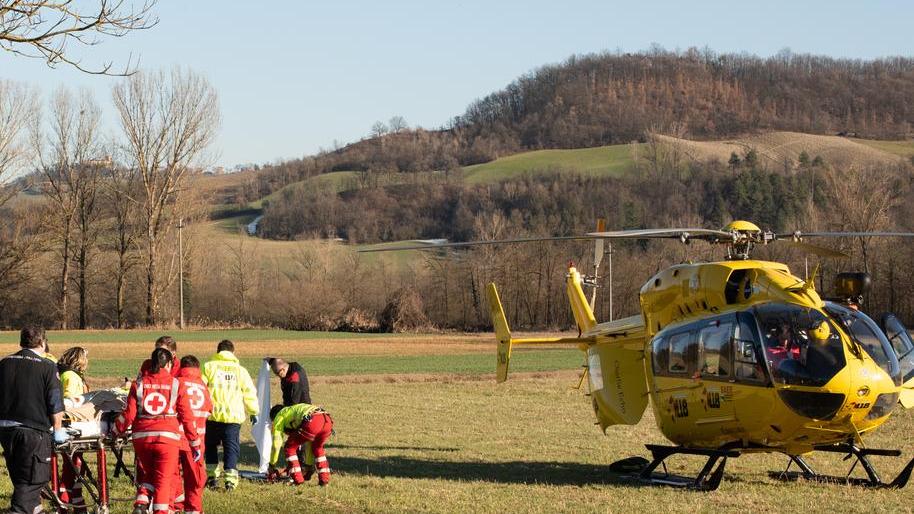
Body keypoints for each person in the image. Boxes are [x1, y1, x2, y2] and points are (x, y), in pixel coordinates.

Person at [115, 348, 200, 514]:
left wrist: (115, 430)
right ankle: (158, 510)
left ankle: (141, 501)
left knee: (151, 473)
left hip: (142, 440)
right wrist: (195, 443)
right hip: (167, 441)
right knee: (163, 481)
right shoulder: (177, 384)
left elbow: (129, 415)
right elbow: (187, 417)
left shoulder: (138, 384)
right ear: (169, 364)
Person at [0, 326, 67, 514]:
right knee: (31, 480)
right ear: (43, 343)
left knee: (20, 475)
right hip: (33, 430)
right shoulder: (46, 366)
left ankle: (34, 508)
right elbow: (54, 401)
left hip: (5, 430)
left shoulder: (4, 363)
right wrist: (58, 428)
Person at [201, 340, 258, 491]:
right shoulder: (241, 371)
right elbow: (249, 392)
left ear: (218, 351)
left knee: (211, 447)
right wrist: (253, 411)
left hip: (212, 416)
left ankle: (212, 478)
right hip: (233, 417)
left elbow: (199, 388)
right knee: (231, 448)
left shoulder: (208, 367)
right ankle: (230, 482)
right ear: (233, 352)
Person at [176, 355, 212, 514]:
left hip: (177, 438)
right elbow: (210, 409)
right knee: (195, 479)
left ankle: (174, 508)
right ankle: (194, 510)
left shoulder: (177, 383)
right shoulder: (203, 386)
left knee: (172, 476)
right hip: (197, 441)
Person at [57, 347, 90, 513]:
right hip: (71, 426)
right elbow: (70, 402)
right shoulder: (70, 376)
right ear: (79, 360)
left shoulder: (68, 374)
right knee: (73, 466)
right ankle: (64, 501)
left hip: (72, 425)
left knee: (76, 466)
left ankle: (78, 503)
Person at [268, 403, 333, 486]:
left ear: (274, 417)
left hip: (313, 421)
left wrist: (272, 465)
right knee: (317, 448)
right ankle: (324, 480)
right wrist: (308, 466)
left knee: (289, 447)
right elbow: (309, 442)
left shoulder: (280, 416)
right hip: (327, 421)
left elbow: (276, 445)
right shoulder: (294, 410)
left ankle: (298, 480)